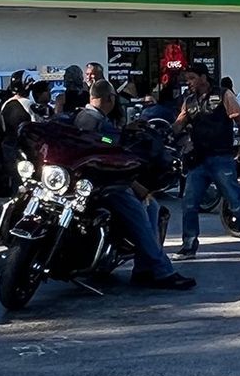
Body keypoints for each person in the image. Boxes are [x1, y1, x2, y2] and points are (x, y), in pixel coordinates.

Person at [74, 83, 193, 289]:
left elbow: (108, 141)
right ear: (110, 98)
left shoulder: (89, 118)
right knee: (142, 215)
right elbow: (105, 145)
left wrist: (124, 131)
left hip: (100, 181)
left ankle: (143, 268)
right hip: (104, 184)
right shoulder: (91, 120)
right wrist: (133, 181)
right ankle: (162, 271)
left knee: (153, 207)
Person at [175, 64, 240, 261]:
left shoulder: (224, 95)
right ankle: (188, 247)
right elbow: (178, 124)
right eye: (187, 79)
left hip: (221, 158)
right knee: (189, 203)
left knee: (235, 202)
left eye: (191, 78)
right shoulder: (189, 101)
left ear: (203, 77)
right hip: (198, 160)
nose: (188, 83)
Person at [0, 74, 35, 170]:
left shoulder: (6, 104)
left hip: (8, 146)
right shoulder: (29, 104)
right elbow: (37, 125)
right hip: (25, 148)